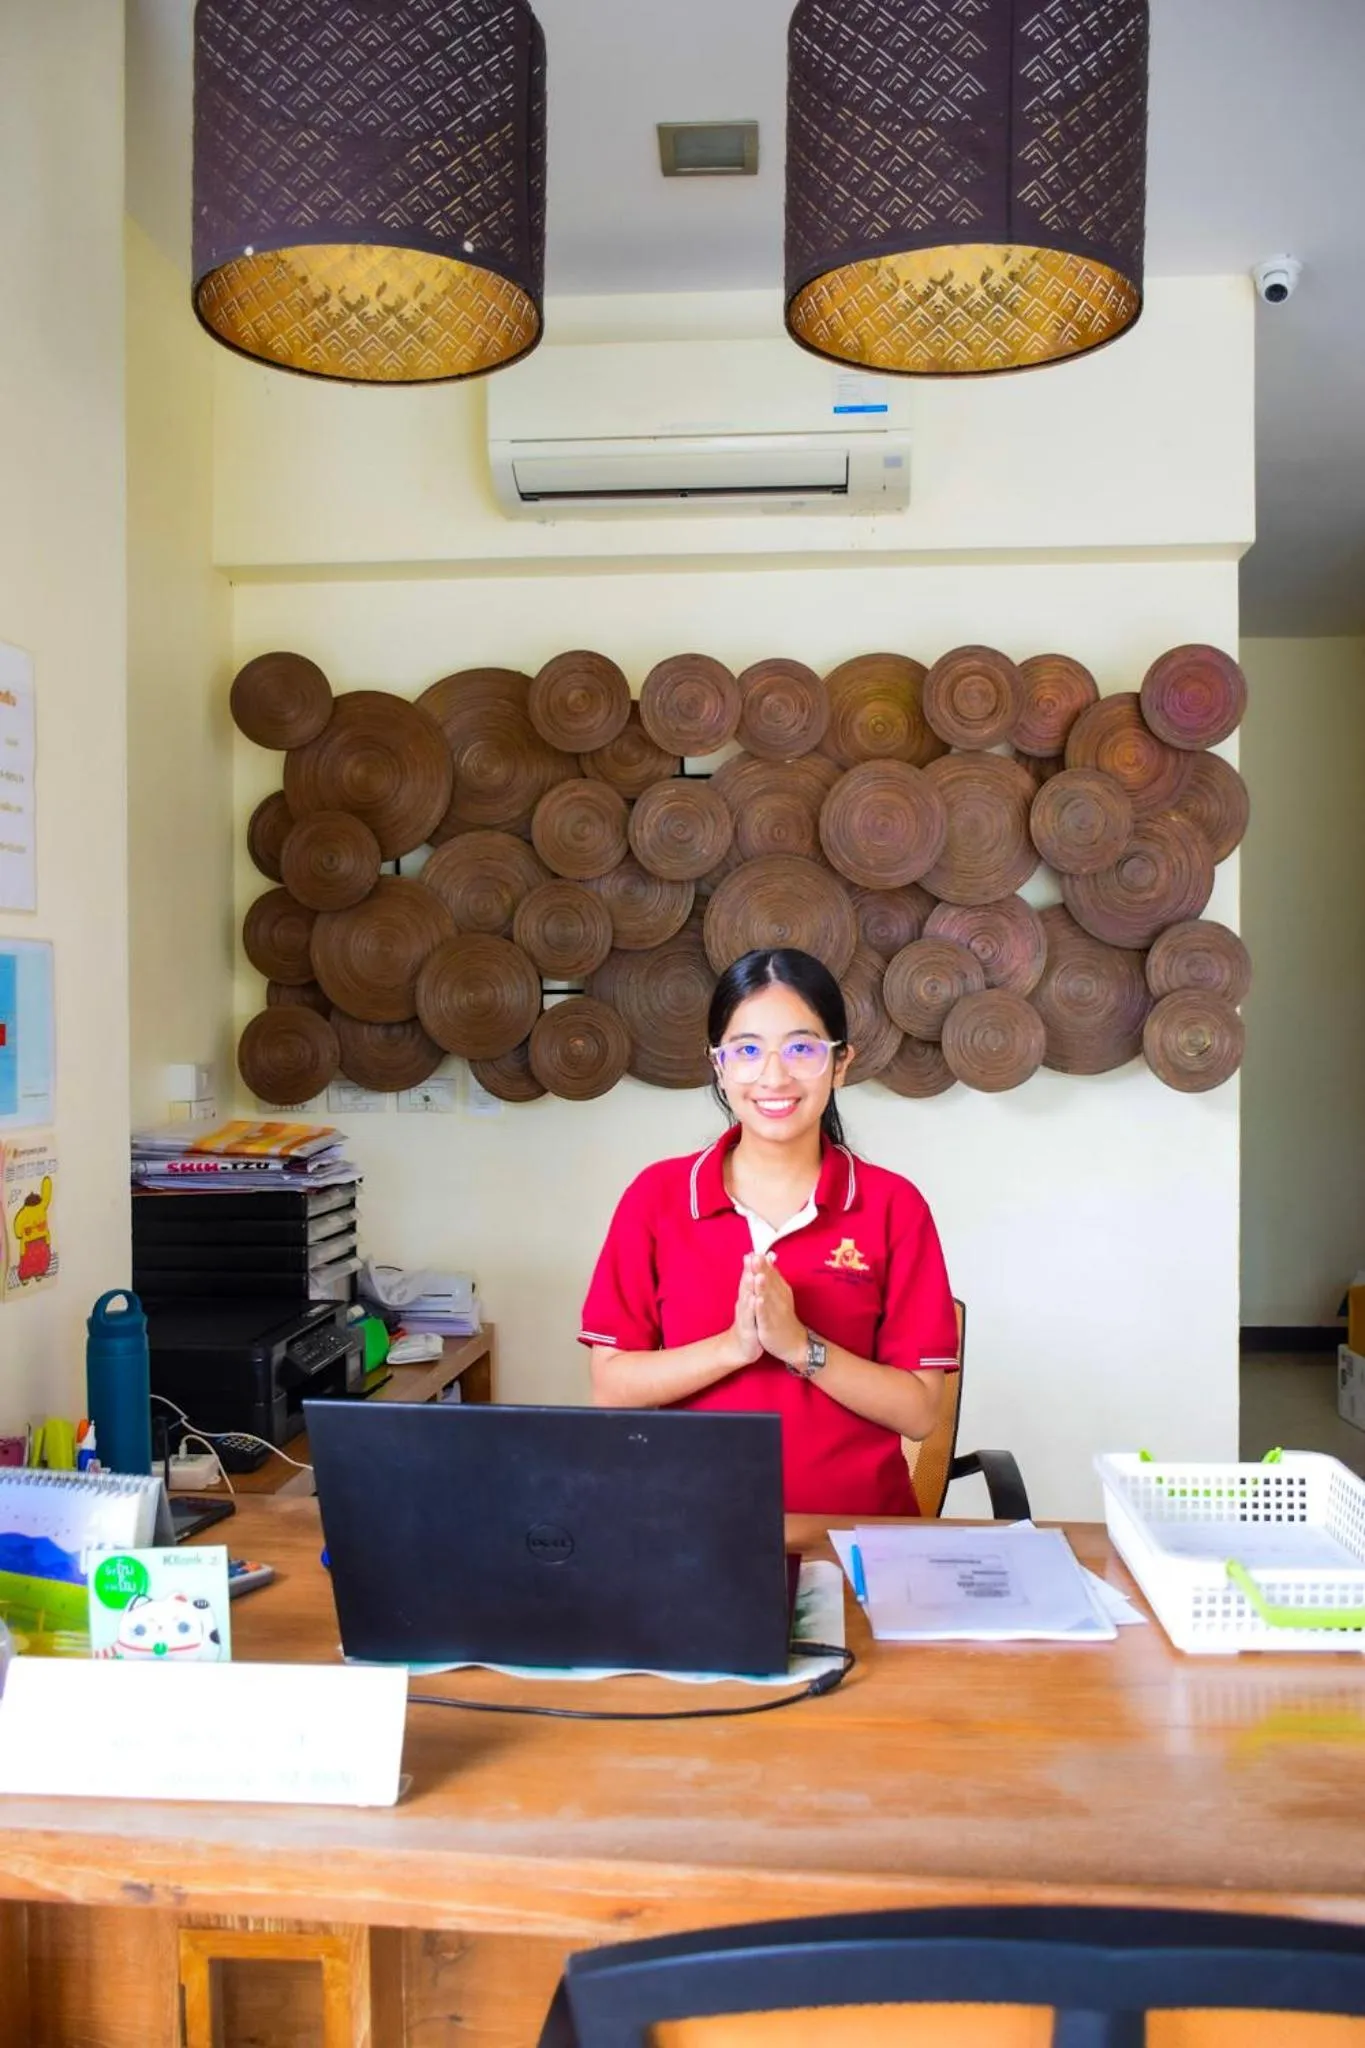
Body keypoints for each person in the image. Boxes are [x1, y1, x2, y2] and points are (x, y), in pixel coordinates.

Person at [579, 946, 959, 1514]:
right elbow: (611, 1387)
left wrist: (802, 1347)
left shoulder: (892, 1205)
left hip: (858, 1534)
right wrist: (734, 1348)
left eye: (802, 1048)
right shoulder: (657, 1199)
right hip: (692, 1530)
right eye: (748, 1050)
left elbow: (919, 1412)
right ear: (719, 1065)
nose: (774, 1076)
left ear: (841, 1061)